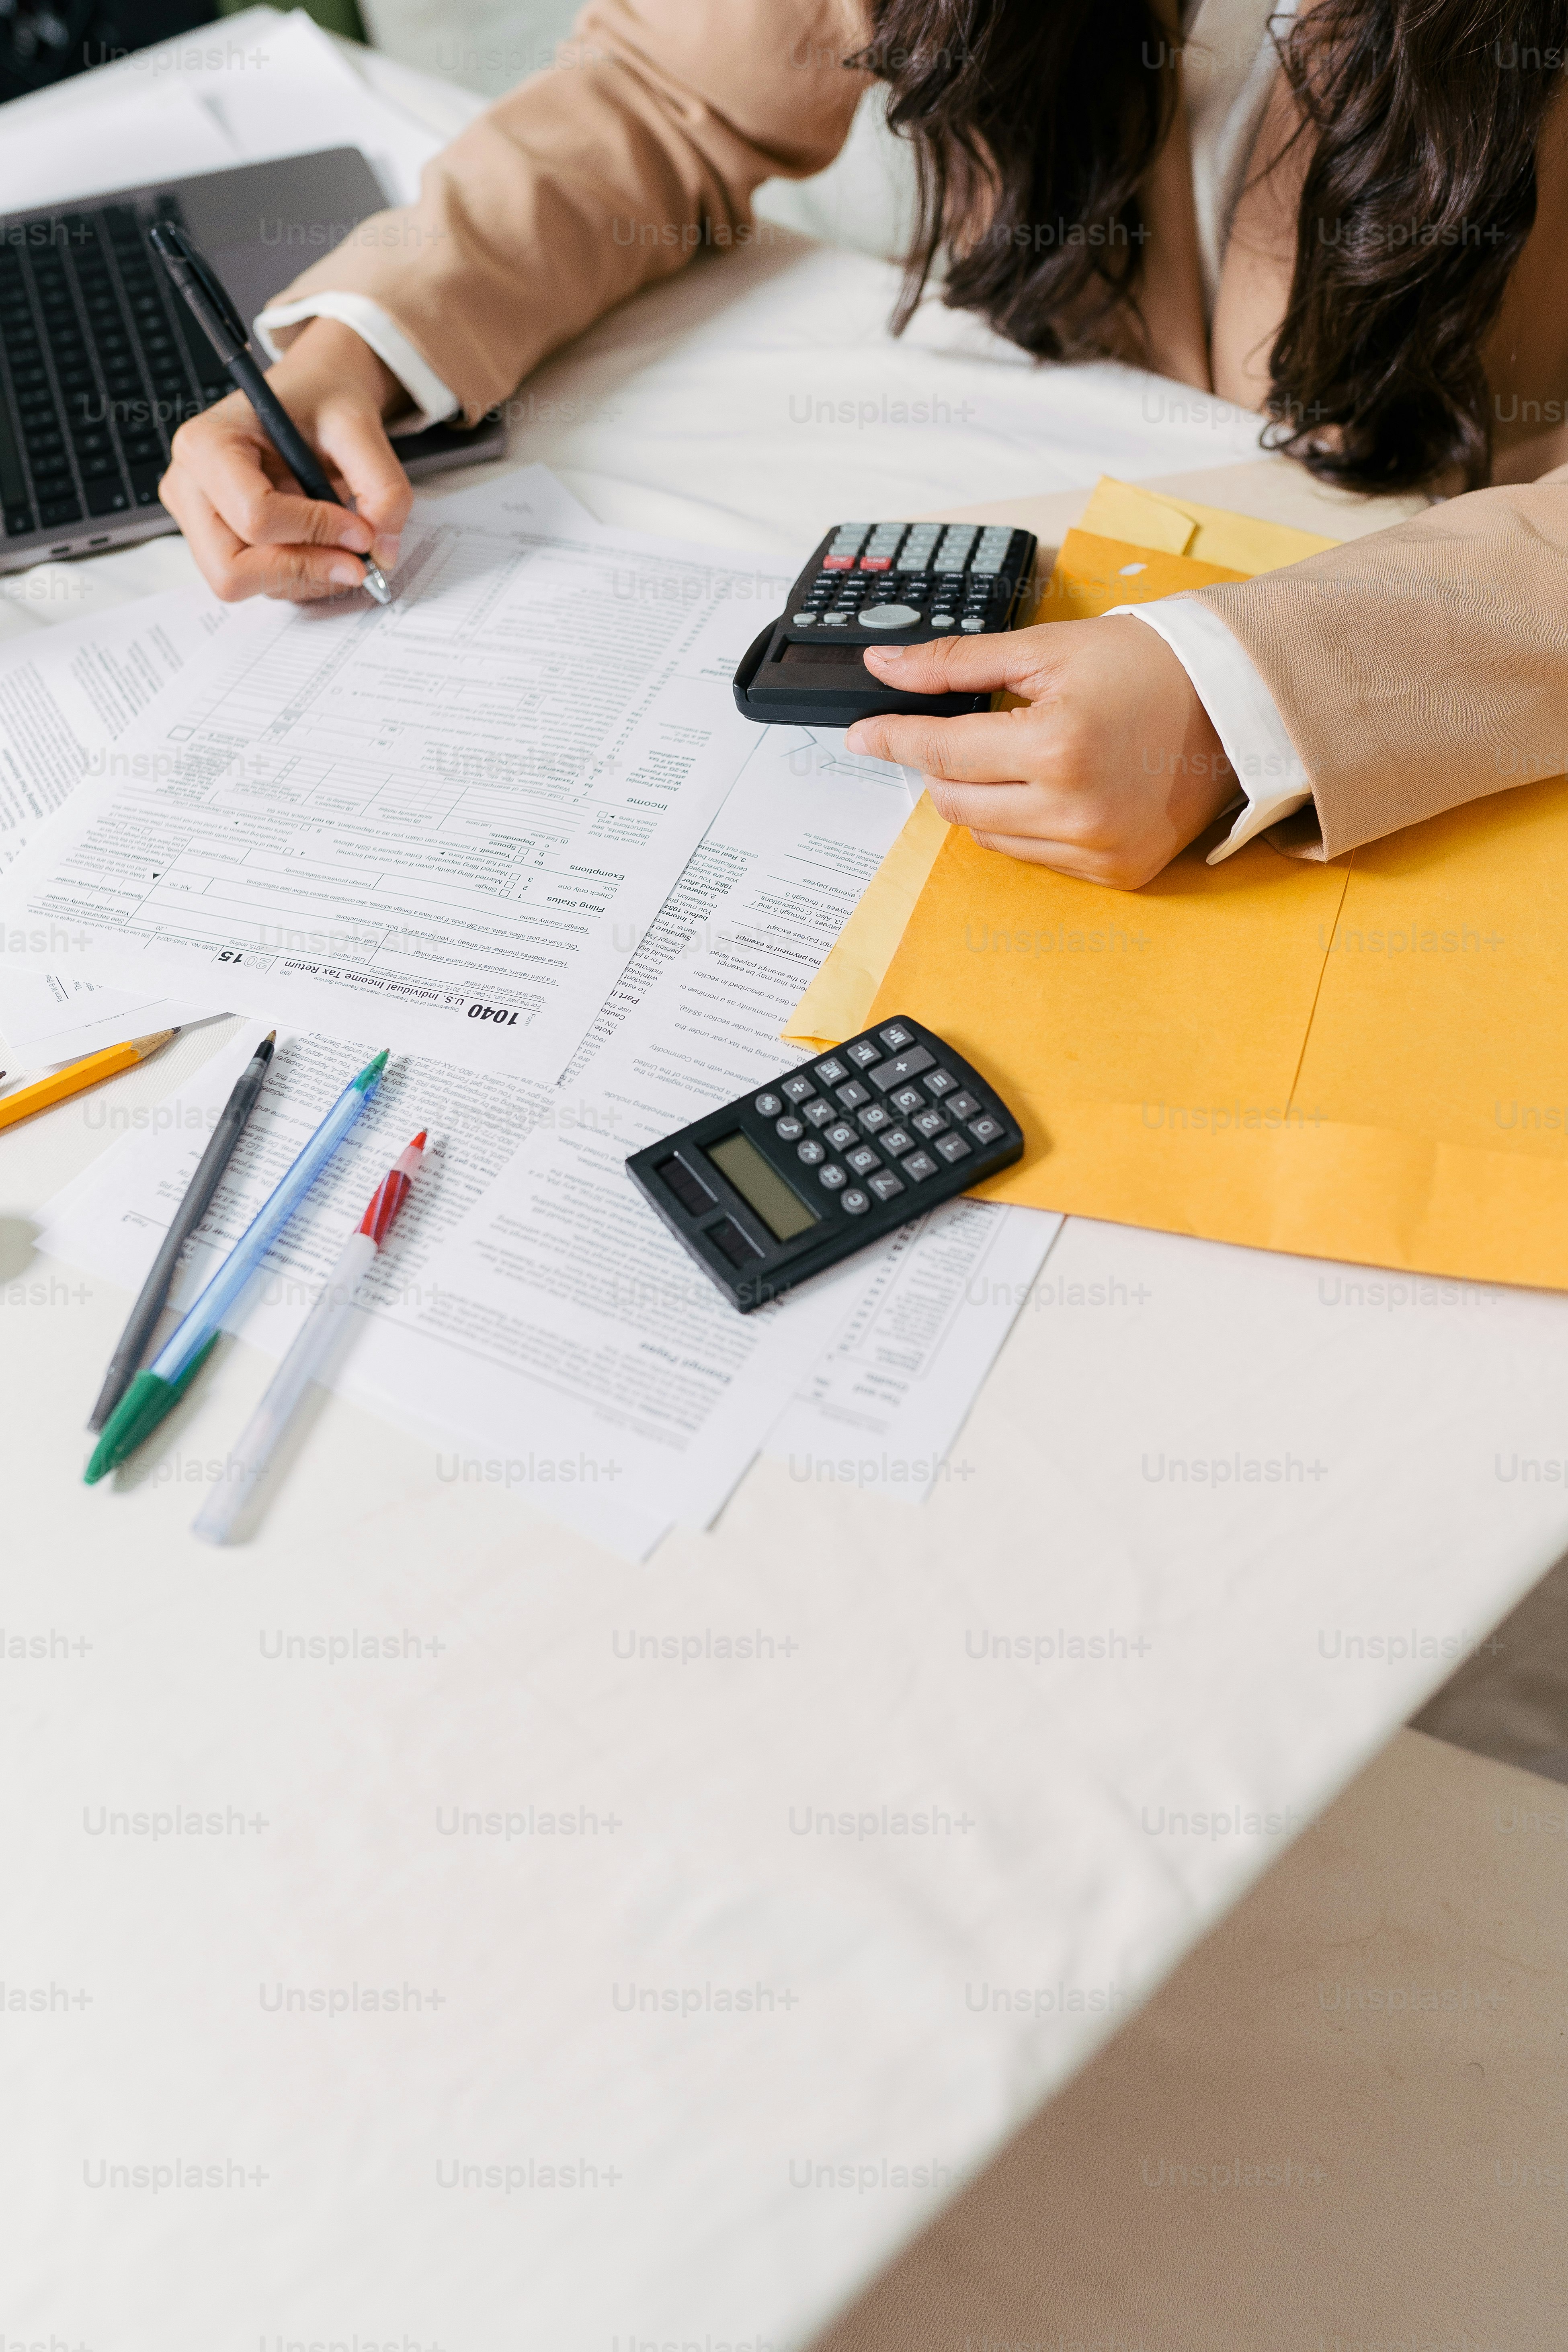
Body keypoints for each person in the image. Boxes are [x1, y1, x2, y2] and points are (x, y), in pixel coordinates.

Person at [158, 0, 1568, 889]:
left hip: (1454, 630)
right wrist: (360, 346)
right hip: (1087, 522)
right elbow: (671, 94)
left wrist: (1245, 700)